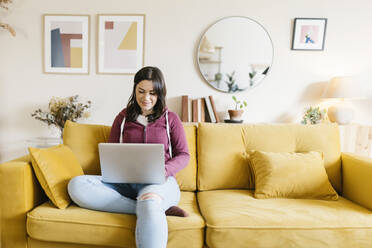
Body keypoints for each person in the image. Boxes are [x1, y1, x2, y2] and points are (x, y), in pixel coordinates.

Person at [68, 66, 190, 248]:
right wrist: (113, 170)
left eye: (152, 93)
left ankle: (151, 205)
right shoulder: (123, 117)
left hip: (158, 183)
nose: (146, 98)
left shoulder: (170, 118)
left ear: (160, 93)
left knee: (149, 200)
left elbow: (184, 155)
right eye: (141, 91)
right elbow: (110, 152)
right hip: (123, 184)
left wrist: (163, 170)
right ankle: (156, 208)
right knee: (76, 185)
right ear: (134, 89)